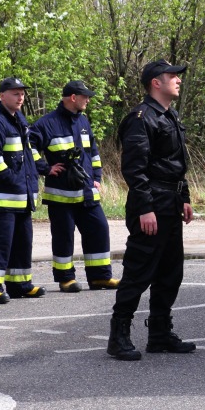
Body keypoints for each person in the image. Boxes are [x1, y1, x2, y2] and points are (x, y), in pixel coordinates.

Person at [107, 60, 195, 361]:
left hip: (170, 202)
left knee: (170, 272)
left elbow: (176, 163)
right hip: (151, 203)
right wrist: (145, 208)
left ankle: (159, 334)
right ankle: (118, 336)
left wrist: (184, 197)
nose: (178, 80)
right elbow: (135, 169)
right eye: (172, 76)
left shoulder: (170, 115)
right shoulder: (141, 118)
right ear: (156, 82)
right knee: (139, 271)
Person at [30, 80, 118, 293]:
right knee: (64, 237)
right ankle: (66, 279)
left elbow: (93, 152)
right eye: (85, 96)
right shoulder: (46, 124)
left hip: (87, 192)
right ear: (72, 97)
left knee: (99, 229)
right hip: (61, 196)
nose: (88, 100)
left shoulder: (83, 121)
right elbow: (27, 147)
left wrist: (97, 176)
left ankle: (100, 277)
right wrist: (45, 168)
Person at [0, 77, 46, 303]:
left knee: (22, 243)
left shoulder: (20, 120)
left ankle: (20, 284)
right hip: (3, 199)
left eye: (22, 93)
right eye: (15, 93)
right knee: (0, 245)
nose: (20, 97)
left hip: (23, 198)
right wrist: (15, 180)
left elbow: (29, 153)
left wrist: (43, 169)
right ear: (2, 96)